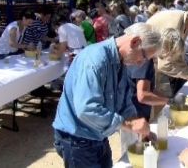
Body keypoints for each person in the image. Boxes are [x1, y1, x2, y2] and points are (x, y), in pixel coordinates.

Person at [53, 23, 162, 168]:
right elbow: (86, 109)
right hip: (77, 139)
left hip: (98, 135)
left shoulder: (120, 60)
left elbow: (124, 102)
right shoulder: (95, 60)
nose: (141, 62)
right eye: (143, 56)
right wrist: (129, 124)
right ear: (135, 41)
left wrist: (139, 126)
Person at [146, 6, 188, 97]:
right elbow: (164, 65)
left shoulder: (185, 21)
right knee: (161, 96)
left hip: (153, 57)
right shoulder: (174, 27)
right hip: (146, 60)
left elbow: (177, 55)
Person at [127, 28, 185, 121]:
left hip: (136, 112)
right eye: (172, 54)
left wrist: (168, 98)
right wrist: (171, 101)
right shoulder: (145, 60)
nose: (169, 58)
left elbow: (149, 90)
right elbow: (143, 95)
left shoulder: (146, 57)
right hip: (134, 115)